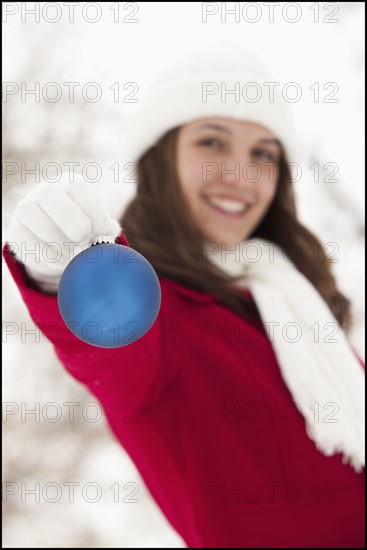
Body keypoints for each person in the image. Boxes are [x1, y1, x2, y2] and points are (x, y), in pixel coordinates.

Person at [3, 42, 365, 548]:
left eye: (263, 153)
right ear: (160, 161)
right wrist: (59, 271)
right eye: (212, 143)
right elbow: (107, 348)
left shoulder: (292, 300)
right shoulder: (155, 312)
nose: (241, 173)